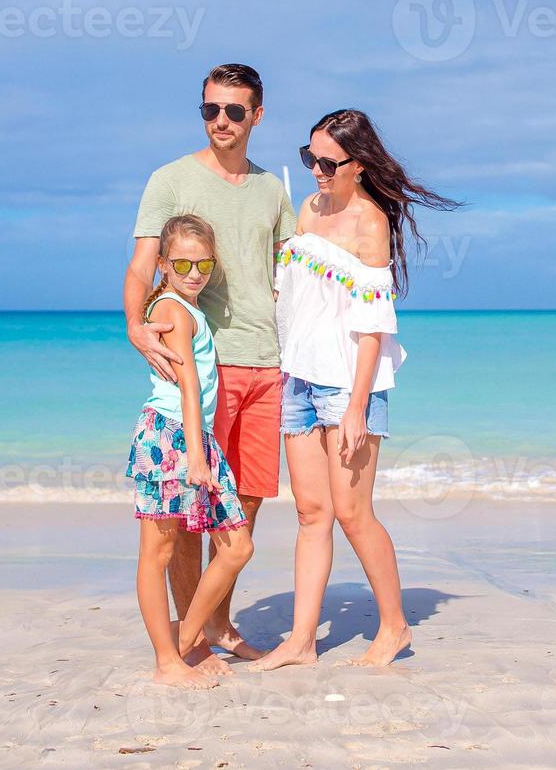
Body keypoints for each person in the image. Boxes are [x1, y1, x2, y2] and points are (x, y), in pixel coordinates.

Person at [257, 108, 459, 669]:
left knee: (353, 511)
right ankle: (300, 642)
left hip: (349, 384)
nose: (317, 171)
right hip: (298, 377)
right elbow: (294, 298)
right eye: (309, 158)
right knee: (310, 512)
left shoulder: (371, 223)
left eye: (327, 162)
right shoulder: (308, 208)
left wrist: (356, 406)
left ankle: (394, 627)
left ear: (358, 164)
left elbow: (373, 329)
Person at [124, 63, 296, 670]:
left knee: (243, 502)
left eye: (234, 110)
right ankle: (189, 640)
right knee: (192, 509)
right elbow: (143, 267)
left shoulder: (274, 191)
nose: (221, 121)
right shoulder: (170, 180)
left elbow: (290, 273)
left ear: (257, 114)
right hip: (210, 365)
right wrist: (134, 327)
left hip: (269, 364)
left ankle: (215, 626)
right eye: (210, 110)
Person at [127, 214, 253, 689]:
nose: (194, 272)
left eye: (203, 263)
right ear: (162, 264)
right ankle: (167, 661)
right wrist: (197, 454)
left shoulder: (188, 308)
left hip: (194, 435)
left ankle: (184, 643)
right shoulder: (174, 308)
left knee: (237, 546)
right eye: (181, 263)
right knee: (157, 552)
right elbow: (188, 383)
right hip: (172, 436)